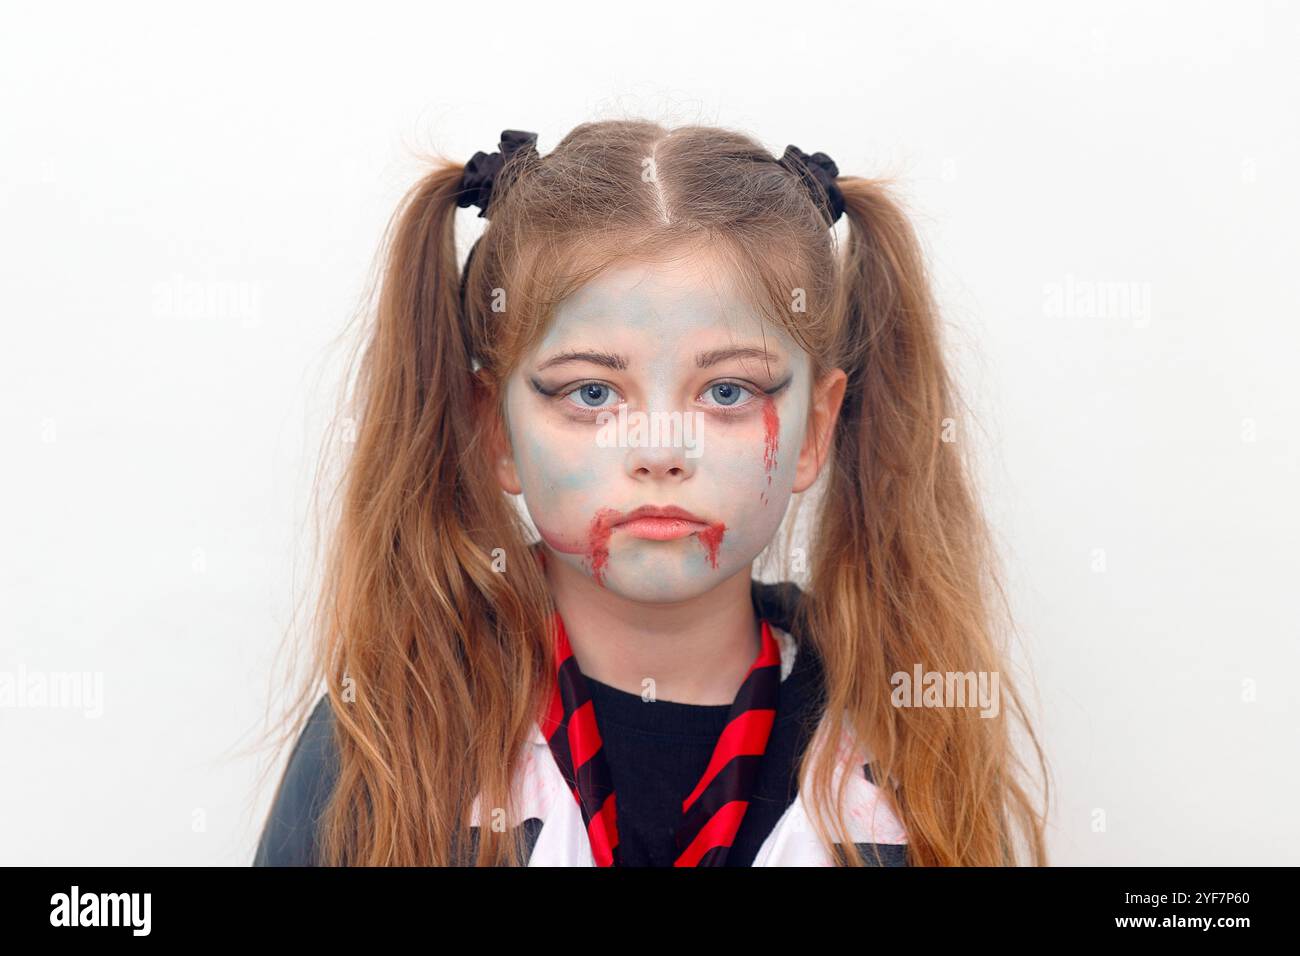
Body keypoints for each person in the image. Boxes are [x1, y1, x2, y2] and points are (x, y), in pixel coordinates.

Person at [253, 121, 1048, 866]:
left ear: (814, 432)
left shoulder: (905, 736)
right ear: (494, 431)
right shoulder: (388, 738)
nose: (661, 450)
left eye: (729, 392)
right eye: (593, 395)